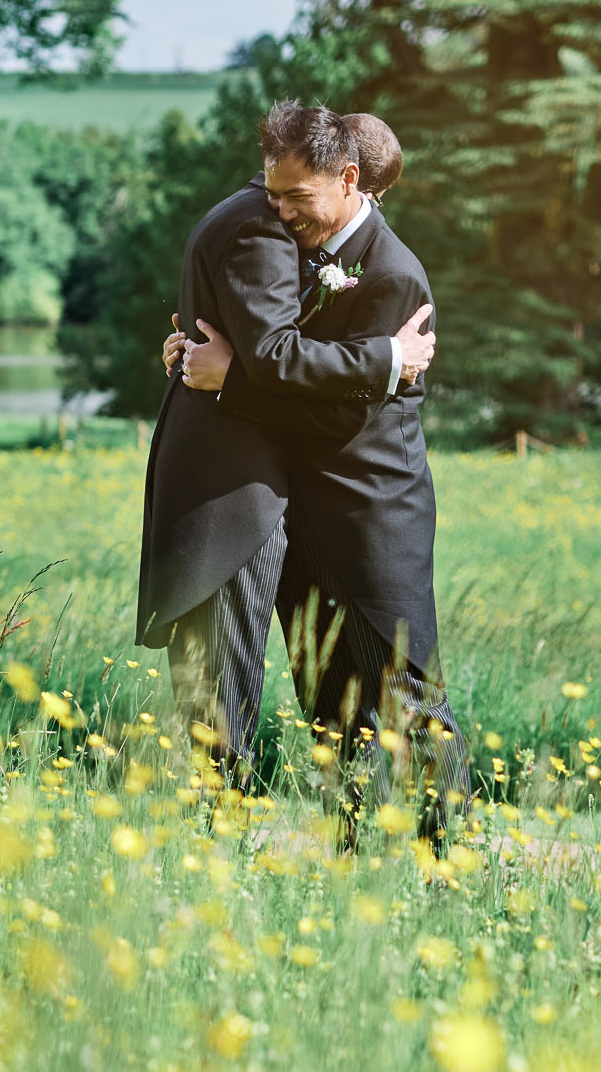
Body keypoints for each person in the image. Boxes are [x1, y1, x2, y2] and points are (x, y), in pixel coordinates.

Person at [164, 106, 471, 847]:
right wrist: (192, 357)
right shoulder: (305, 249)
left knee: (407, 695)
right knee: (332, 705)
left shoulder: (394, 274)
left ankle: (451, 854)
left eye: (298, 197)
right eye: (275, 193)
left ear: (349, 180)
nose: (280, 209)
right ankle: (356, 852)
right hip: (306, 521)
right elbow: (290, 360)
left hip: (372, 522)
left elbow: (343, 419)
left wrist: (228, 380)